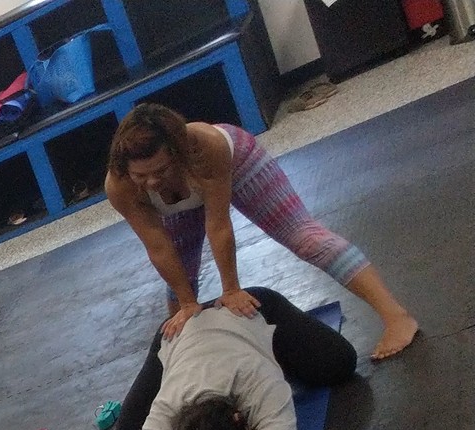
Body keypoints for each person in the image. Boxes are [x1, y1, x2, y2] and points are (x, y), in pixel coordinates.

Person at [105, 102, 418, 362]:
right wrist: (188, 304)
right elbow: (158, 247)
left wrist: (231, 290)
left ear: (178, 152)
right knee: (179, 288)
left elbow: (218, 224)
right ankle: (185, 362)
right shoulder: (120, 187)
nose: (152, 183)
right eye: (141, 176)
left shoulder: (205, 147)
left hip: (236, 163)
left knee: (305, 238)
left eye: (160, 170)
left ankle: (396, 317)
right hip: (182, 194)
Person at [114, 285, 357, 430]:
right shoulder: (167, 408)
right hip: (177, 332)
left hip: (249, 308)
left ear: (240, 417)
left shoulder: (252, 376)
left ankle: (274, 349)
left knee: (339, 365)